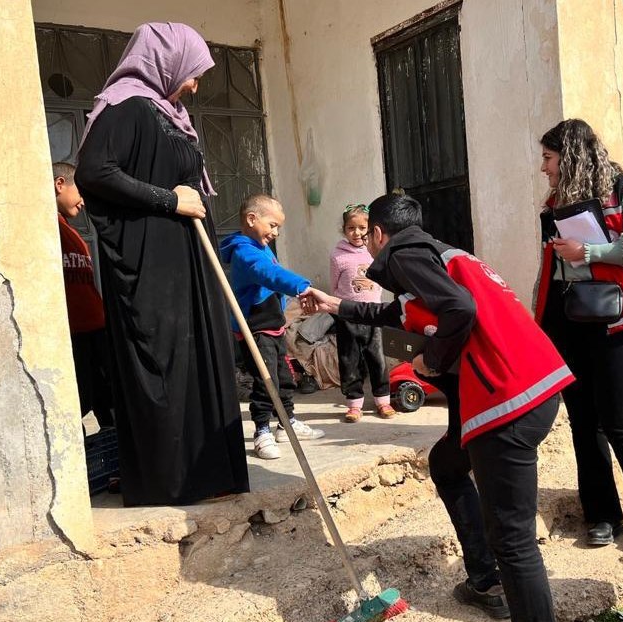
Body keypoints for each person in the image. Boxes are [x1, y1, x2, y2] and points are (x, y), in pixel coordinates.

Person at [302, 194, 573, 622]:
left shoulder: (404, 255)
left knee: (513, 540)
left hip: (505, 400)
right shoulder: (438, 257)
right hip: (534, 386)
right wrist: (337, 304)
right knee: (448, 466)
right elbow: (398, 315)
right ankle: (484, 578)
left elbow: (458, 310)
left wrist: (431, 363)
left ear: (379, 235)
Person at [75, 22, 249, 506]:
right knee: (166, 361)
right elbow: (94, 172)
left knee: (203, 359)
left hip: (189, 260)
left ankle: (211, 473)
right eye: (191, 73)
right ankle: (170, 482)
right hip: (153, 266)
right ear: (165, 62)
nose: (194, 85)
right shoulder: (125, 105)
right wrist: (168, 202)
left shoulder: (170, 113)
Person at [534, 119, 623, 549]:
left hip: (619, 321)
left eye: (548, 158)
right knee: (582, 423)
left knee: (620, 423)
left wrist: (590, 251)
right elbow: (551, 268)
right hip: (567, 321)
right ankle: (601, 517)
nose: (544, 167)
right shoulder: (557, 200)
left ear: (570, 155)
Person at [219, 194, 325, 460]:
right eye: (273, 225)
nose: (276, 232)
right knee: (266, 381)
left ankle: (286, 422)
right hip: (256, 327)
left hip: (273, 325)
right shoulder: (245, 252)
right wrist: (303, 286)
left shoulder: (260, 246)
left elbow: (273, 280)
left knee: (284, 378)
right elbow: (269, 274)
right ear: (252, 219)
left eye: (278, 227)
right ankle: (262, 430)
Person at [53, 162, 114, 431]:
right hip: (71, 335)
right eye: (81, 192)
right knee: (75, 405)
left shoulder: (75, 234)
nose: (84, 203)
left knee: (108, 402)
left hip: (96, 331)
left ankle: (113, 459)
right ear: (60, 184)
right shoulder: (46, 230)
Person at [329, 203, 394, 422]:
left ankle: (383, 401)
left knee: (377, 359)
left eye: (361, 227)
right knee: (350, 359)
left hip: (373, 313)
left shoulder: (375, 251)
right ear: (344, 230)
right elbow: (335, 285)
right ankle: (354, 404)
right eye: (351, 228)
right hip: (347, 315)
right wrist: (340, 309)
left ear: (370, 228)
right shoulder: (338, 256)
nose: (356, 233)